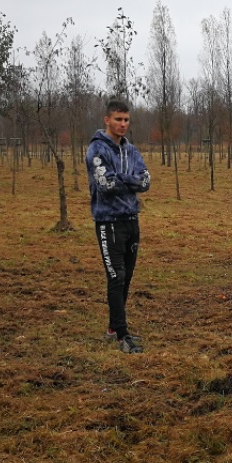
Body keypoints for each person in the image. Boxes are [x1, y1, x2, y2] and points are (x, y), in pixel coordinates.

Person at [86, 100, 151, 354]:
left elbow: (146, 181)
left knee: (127, 276)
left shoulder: (132, 150)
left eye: (126, 120)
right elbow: (105, 184)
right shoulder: (97, 150)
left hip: (132, 220)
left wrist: (124, 179)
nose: (123, 124)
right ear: (107, 120)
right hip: (108, 221)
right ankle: (122, 335)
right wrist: (130, 180)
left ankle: (114, 327)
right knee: (116, 276)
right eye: (118, 119)